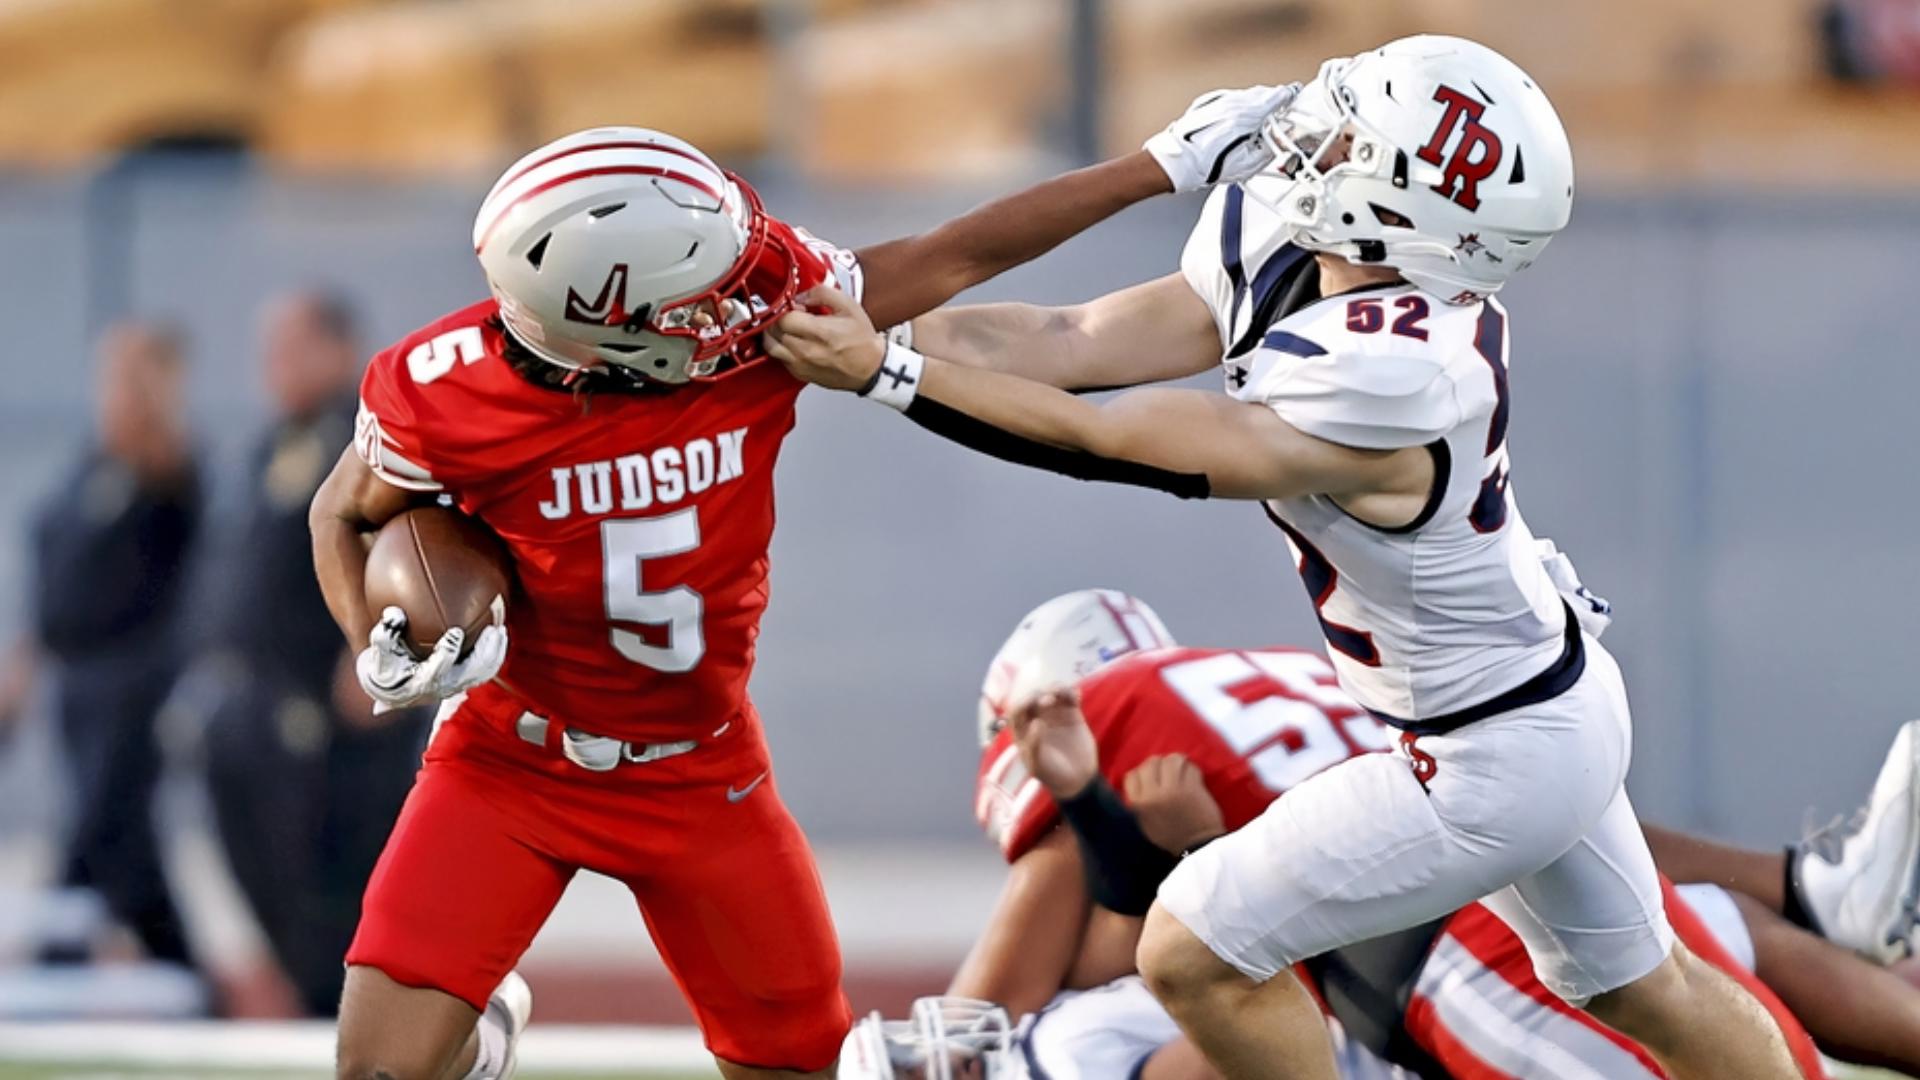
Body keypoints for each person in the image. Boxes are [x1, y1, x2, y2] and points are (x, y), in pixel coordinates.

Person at [768, 34, 1813, 1080]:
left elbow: (1110, 440)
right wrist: (858, 328)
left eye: (1355, 134)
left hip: (1490, 753)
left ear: (1400, 210)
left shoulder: (1403, 373)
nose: (1316, 135)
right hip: (1547, 695)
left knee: (1193, 951)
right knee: (1647, 988)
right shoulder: (1300, 250)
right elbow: (1070, 337)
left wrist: (887, 374)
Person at [310, 99, 1291, 1080]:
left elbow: (958, 253)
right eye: (697, 289)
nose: (739, 292)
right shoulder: (443, 392)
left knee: (801, 1069)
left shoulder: (758, 322)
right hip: (510, 761)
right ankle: (470, 1050)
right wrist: (375, 644)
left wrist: (1160, 164)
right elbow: (340, 516)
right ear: (604, 320)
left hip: (699, 774)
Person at [953, 589, 1841, 1080]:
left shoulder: (1120, 715)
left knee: (1165, 984)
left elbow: (999, 1005)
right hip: (1491, 846)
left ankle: (1817, 891)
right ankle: (1814, 888)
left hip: (1434, 954)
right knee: (1689, 958)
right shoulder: (1297, 674)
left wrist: (1123, 822)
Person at [193, 291, 429, 1016]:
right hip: (260, 709)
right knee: (271, 873)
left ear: (338, 348)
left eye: (294, 348)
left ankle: (351, 1015)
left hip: (339, 711)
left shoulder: (376, 436)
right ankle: (318, 1002)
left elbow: (422, 549)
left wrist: (384, 645)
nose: (277, 366)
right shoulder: (274, 444)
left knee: (339, 881)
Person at [23, 319, 201, 970]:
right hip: (75, 683)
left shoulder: (162, 466)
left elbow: (166, 457)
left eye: (127, 377)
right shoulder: (90, 468)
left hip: (133, 683)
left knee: (95, 826)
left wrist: (151, 382)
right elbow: (57, 573)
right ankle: (188, 977)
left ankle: (49, 967)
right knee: (126, 848)